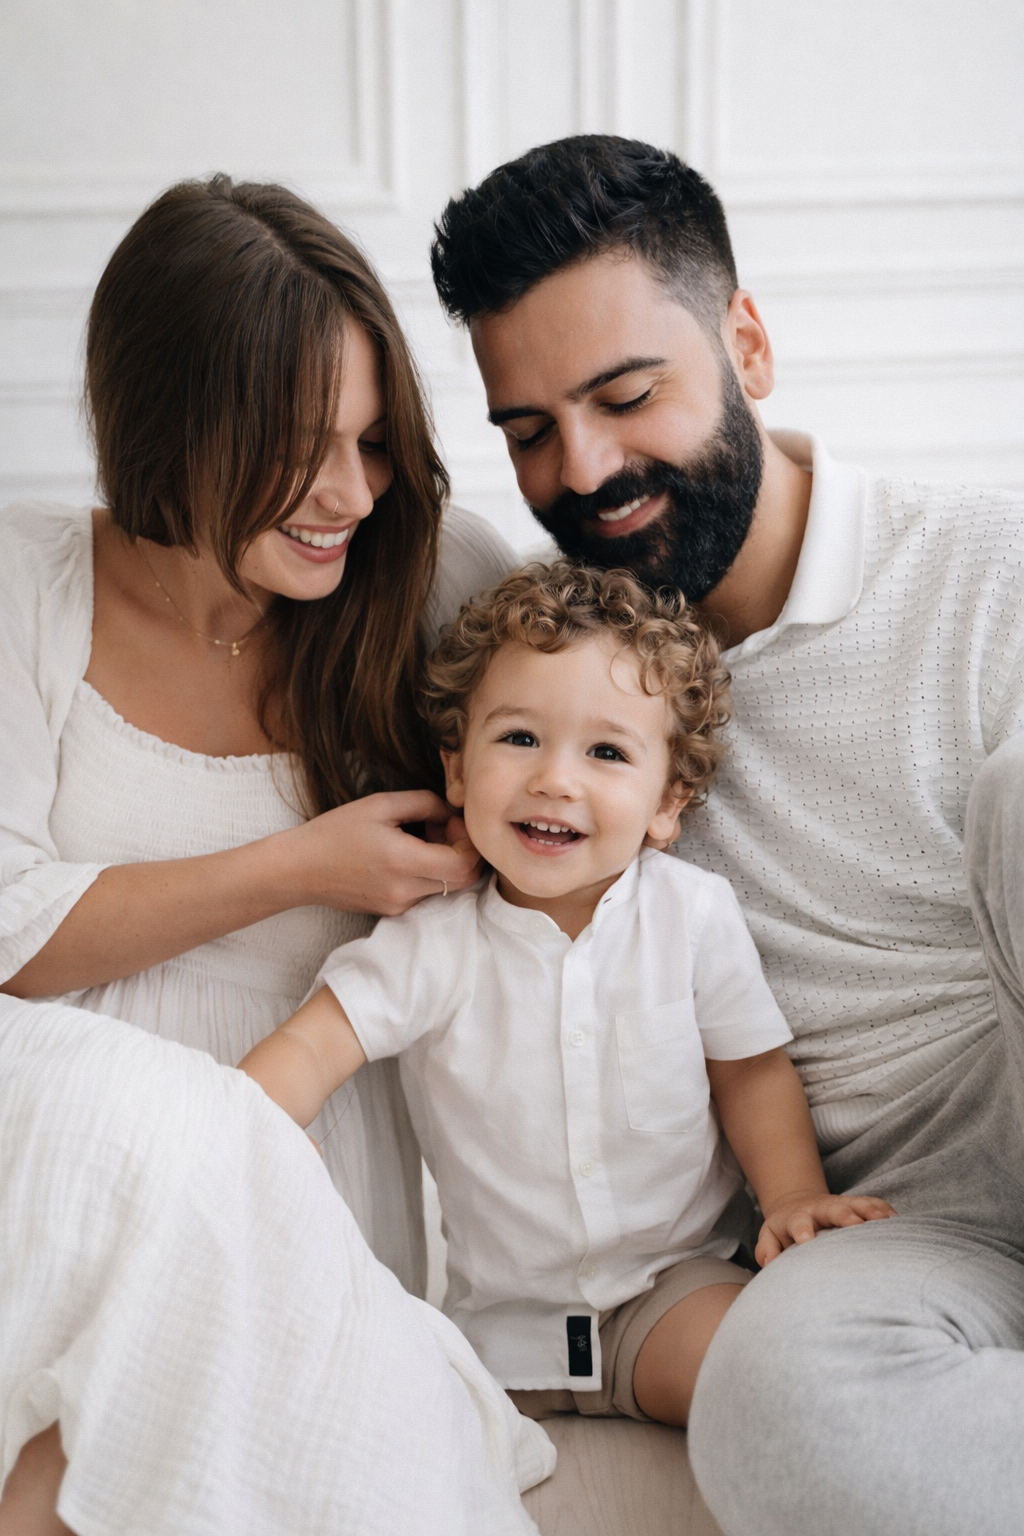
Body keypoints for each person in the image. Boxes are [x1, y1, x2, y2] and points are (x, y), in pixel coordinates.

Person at [430, 136, 1024, 1534]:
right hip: (897, 1247)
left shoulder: (981, 573)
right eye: (527, 431)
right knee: (777, 1402)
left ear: (746, 346)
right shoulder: (555, 684)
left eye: (626, 397)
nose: (583, 472)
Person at [0, 174, 521, 1530]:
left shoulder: (433, 573)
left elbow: (620, 725)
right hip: (56, 1132)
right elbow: (7, 939)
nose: (351, 492)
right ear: (169, 427)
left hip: (295, 1144)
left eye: (373, 439)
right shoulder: (24, 586)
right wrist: (302, 868)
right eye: (301, 446)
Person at [238, 561, 894, 1428]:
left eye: (607, 753)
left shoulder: (691, 916)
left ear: (669, 803)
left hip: (668, 1291)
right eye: (518, 739)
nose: (555, 778)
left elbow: (751, 1073)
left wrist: (793, 1200)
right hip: (498, 1333)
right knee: (378, 1442)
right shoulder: (433, 941)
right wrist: (245, 1126)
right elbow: (318, 1043)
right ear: (459, 769)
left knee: (772, 1382)